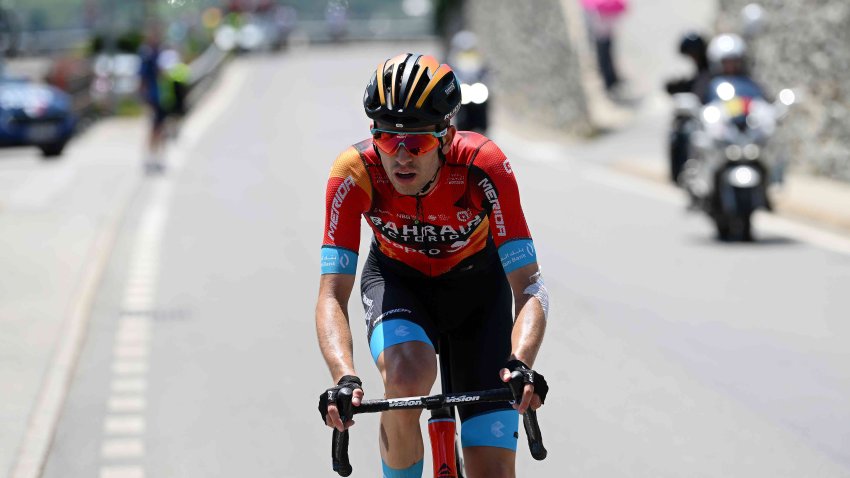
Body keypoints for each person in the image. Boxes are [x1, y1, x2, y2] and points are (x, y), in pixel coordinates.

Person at [316, 53, 550, 478]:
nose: (401, 156)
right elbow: (332, 292)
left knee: (492, 472)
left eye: (417, 143)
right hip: (397, 282)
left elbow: (529, 285)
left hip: (478, 293)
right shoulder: (353, 174)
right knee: (406, 377)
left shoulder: (484, 167)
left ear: (446, 137)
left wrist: (521, 363)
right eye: (388, 139)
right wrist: (344, 377)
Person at [580, 0, 628, 96]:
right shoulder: (594, 8)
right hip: (600, 33)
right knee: (603, 57)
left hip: (605, 31)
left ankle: (613, 79)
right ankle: (609, 83)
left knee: (608, 55)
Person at [138, 26, 168, 174]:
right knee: (154, 127)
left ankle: (158, 155)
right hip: (153, 96)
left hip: (163, 96)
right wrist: (144, 98)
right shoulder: (147, 54)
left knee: (161, 127)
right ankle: (150, 156)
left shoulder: (160, 52)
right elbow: (142, 78)